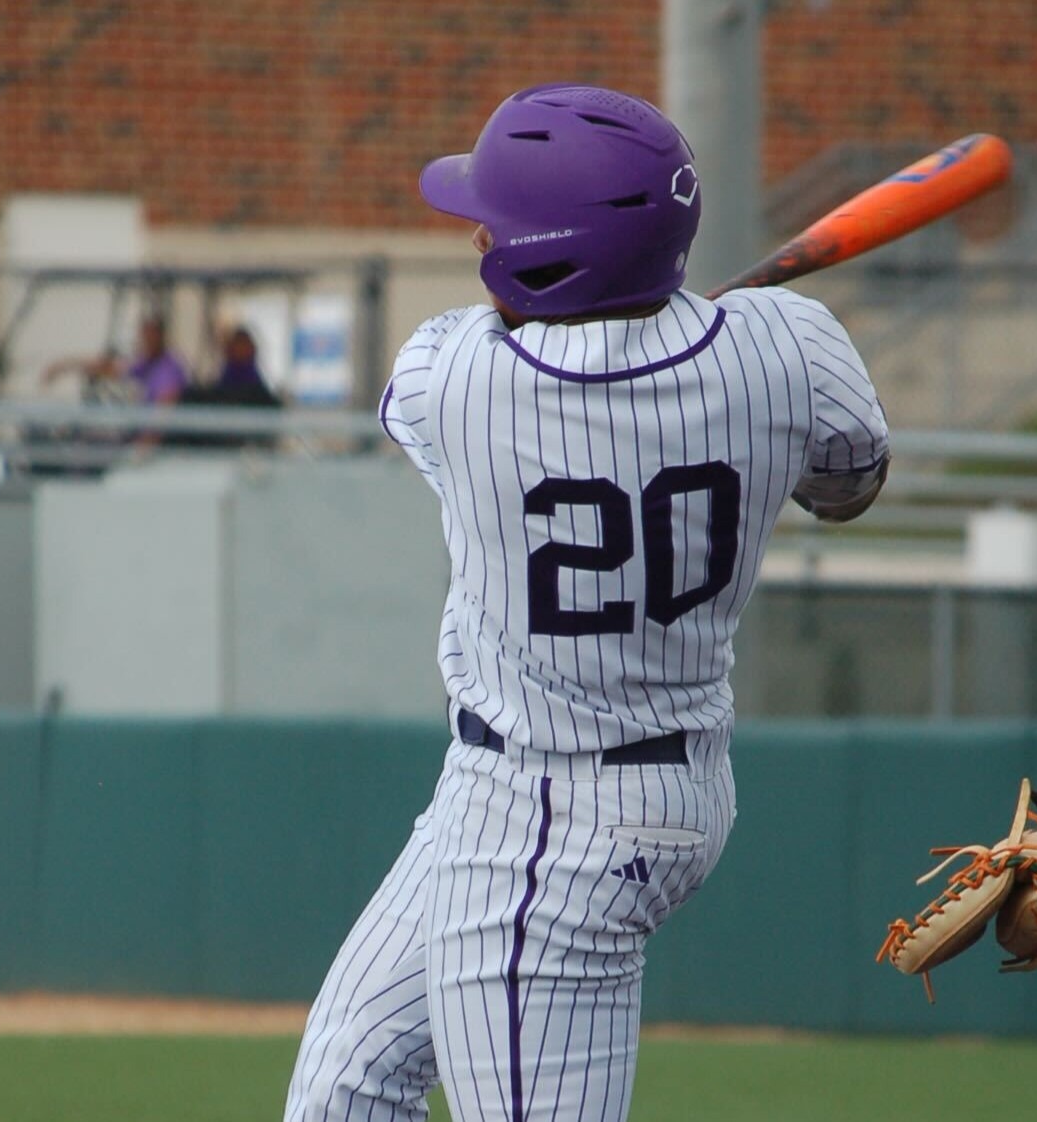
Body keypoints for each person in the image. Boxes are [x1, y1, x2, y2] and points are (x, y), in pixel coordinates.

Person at [285, 84, 890, 1122]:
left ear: (546, 257)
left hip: (551, 820)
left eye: (495, 221)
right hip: (638, 783)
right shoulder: (789, 346)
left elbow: (456, 380)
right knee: (348, 1083)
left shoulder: (453, 375)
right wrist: (716, 377)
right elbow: (846, 489)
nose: (476, 233)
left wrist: (643, 359)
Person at [42, 313, 190, 405]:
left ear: (160, 337)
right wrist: (64, 366)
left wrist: (142, 445)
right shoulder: (146, 363)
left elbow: (163, 415)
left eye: (150, 337)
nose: (145, 342)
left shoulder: (168, 369)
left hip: (154, 436)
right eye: (144, 337)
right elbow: (111, 368)